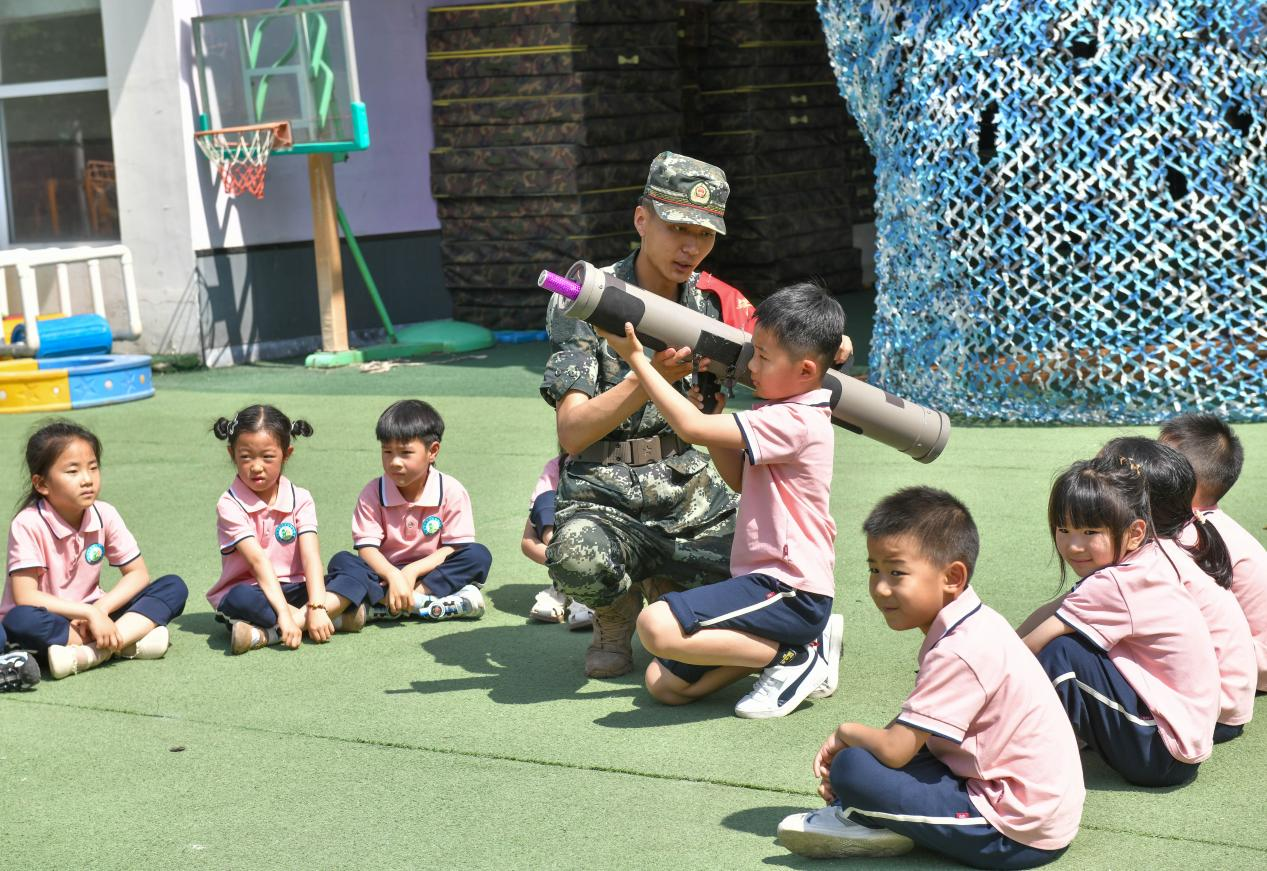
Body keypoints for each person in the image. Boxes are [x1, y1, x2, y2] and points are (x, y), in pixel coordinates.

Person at [778, 488, 1083, 868]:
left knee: (852, 768)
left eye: (896, 572)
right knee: (870, 759)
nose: (880, 587)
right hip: (1032, 806)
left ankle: (865, 819)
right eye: (874, 570)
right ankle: (867, 811)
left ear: (952, 577)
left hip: (1015, 830)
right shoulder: (973, 623)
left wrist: (845, 733)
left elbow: (896, 749)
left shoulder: (960, 650)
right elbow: (914, 729)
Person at [539, 152, 742, 678]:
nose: (691, 247)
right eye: (678, 228)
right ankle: (614, 611)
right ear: (641, 219)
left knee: (763, 558)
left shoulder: (712, 304)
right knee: (577, 557)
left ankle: (667, 584)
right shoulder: (589, 298)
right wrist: (647, 376)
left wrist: (832, 348)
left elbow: (780, 343)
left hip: (686, 487)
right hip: (602, 489)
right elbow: (573, 432)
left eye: (705, 235)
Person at [601, 282, 845, 719]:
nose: (751, 365)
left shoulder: (796, 420)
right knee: (663, 685)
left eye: (763, 357)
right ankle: (802, 644)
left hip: (788, 588)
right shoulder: (780, 413)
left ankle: (795, 657)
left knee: (655, 626)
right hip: (766, 586)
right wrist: (714, 419)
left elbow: (690, 429)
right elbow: (737, 479)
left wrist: (637, 358)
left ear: (806, 370)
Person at [1021, 456, 1219, 786]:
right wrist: (1002, 642)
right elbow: (1055, 610)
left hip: (1159, 752)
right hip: (1178, 737)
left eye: (1090, 531)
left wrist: (978, 676)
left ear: (1135, 532)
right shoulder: (1145, 559)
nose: (1073, 545)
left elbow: (1031, 647)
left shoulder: (1114, 583)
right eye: (1064, 529)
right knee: (1070, 644)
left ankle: (1020, 751)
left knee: (1059, 652)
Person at [1098, 437, 1254, 743]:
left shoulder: (1149, 560)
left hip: (1214, 710)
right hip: (1231, 697)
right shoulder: (1183, 533)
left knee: (1077, 649)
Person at [2, 421, 187, 679]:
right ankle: (126, 641)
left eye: (93, 467)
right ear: (41, 484)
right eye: (73, 471)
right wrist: (89, 613)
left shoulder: (105, 513)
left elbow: (138, 574)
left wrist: (100, 610)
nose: (87, 479)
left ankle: (93, 653)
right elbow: (26, 596)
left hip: (95, 613)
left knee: (173, 586)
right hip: (51, 619)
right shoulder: (28, 523)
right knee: (20, 621)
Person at [206, 405, 369, 654]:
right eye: (246, 457)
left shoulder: (300, 498)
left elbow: (311, 556)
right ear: (232, 453)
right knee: (239, 598)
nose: (256, 467)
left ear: (286, 454)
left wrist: (317, 606)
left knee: (355, 568)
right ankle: (335, 619)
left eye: (267, 457)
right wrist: (283, 612)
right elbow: (258, 562)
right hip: (256, 589)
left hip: (297, 588)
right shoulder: (229, 504)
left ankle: (268, 634)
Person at [324, 399, 492, 623]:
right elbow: (367, 549)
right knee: (341, 561)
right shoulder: (372, 492)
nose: (394, 462)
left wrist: (412, 571)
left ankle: (393, 604)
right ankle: (425, 603)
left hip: (430, 572)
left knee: (477, 555)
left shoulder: (451, 490)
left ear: (432, 451)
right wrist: (393, 574)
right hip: (384, 574)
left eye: (405, 453)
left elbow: (455, 547)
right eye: (387, 451)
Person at [1160, 413, 1267, 691]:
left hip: (1254, 663)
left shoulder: (1195, 534)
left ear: (1185, 480)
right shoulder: (1206, 522)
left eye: (1159, 460)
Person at [524, 452, 593, 629]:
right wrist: (566, 563)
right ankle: (567, 584)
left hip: (600, 542)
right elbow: (528, 541)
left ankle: (587, 592)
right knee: (546, 499)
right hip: (562, 543)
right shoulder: (558, 465)